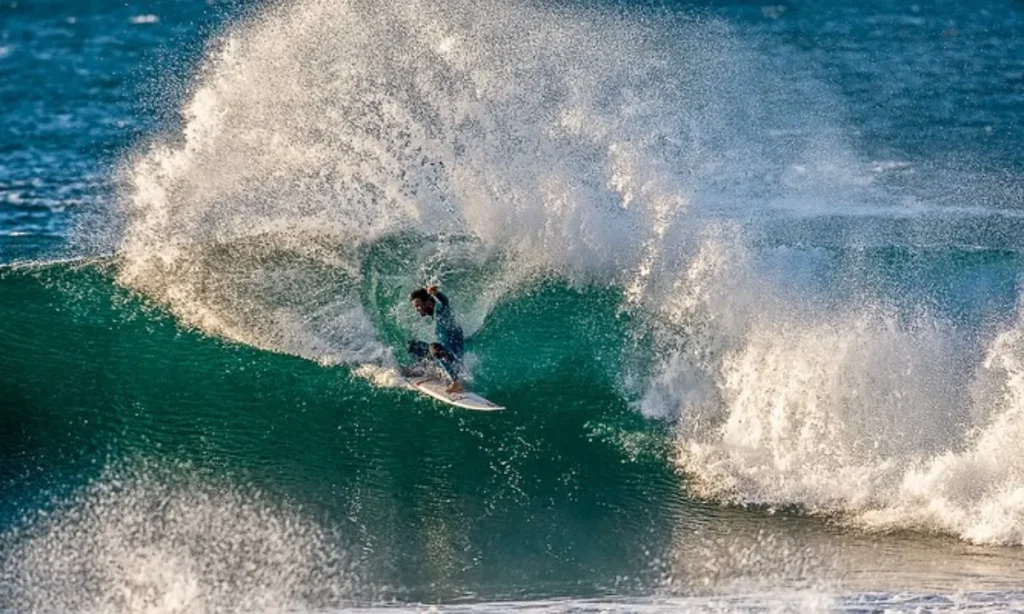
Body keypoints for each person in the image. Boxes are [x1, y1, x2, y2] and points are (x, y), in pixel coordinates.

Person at [407, 285, 465, 393]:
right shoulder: (434, 314)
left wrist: (436, 293)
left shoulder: (441, 311)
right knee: (412, 346)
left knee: (434, 347)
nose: (416, 310)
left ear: (428, 303)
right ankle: (422, 370)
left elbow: (445, 302)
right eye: (415, 307)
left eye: (418, 306)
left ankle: (456, 382)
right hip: (444, 356)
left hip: (454, 359)